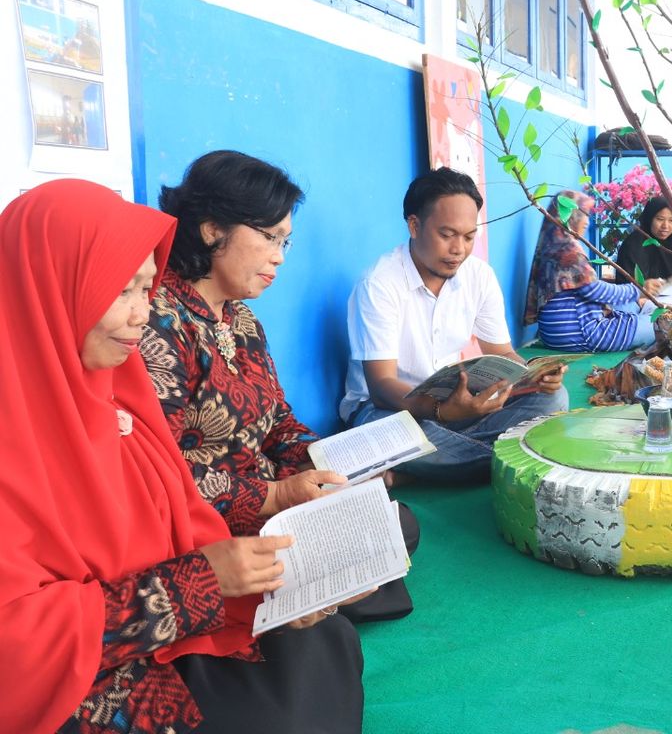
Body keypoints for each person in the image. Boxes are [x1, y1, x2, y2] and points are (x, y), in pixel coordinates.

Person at [0, 179, 364, 734]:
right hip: (78, 671)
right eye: (119, 291)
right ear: (50, 288)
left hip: (166, 622)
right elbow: (15, 645)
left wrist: (268, 588)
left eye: (145, 290)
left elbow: (184, 527)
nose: (141, 314)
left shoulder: (117, 396)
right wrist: (197, 583)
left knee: (320, 643)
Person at [142, 150, 418, 623]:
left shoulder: (241, 318)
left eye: (285, 242)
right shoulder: (156, 322)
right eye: (269, 237)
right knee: (367, 547)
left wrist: (336, 468)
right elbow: (158, 478)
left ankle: (313, 594)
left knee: (393, 519)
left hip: (274, 506)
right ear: (213, 229)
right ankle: (298, 602)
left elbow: (279, 425)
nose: (278, 257)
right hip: (207, 531)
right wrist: (276, 496)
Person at [341, 167, 569, 482]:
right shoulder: (379, 284)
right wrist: (442, 412)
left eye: (469, 236)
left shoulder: (479, 275)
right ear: (414, 225)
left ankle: (419, 471)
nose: (458, 248)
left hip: (457, 408)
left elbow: (502, 351)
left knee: (554, 399)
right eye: (446, 235)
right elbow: (381, 388)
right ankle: (493, 459)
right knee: (397, 437)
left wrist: (534, 374)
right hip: (388, 412)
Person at [529, 192, 665, 352]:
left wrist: (635, 295)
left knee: (633, 305)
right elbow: (594, 290)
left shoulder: (551, 245)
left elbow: (585, 289)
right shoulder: (569, 251)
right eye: (583, 214)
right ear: (569, 216)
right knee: (658, 325)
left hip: (553, 334)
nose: (587, 221)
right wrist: (639, 290)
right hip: (580, 334)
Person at [615, 195, 672, 285]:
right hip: (642, 298)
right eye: (660, 219)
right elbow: (625, 285)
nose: (665, 226)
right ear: (649, 219)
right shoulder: (633, 245)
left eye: (671, 220)